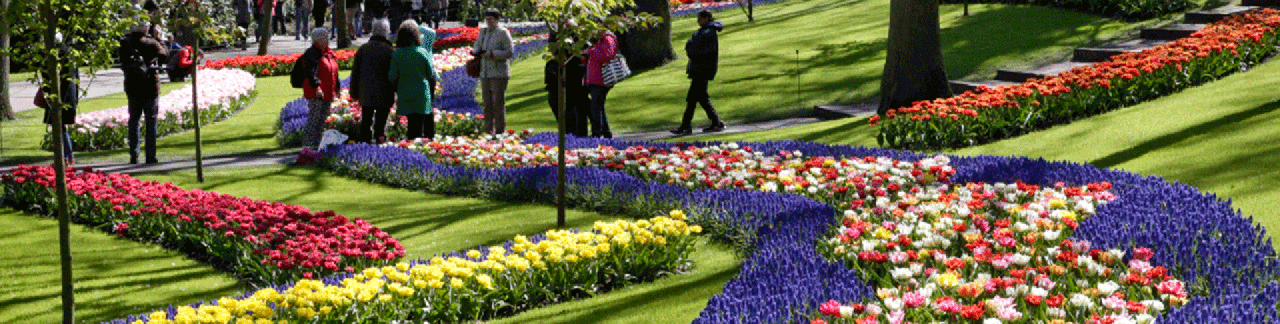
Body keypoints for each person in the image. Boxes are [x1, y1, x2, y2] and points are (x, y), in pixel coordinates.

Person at [119, 22, 169, 164]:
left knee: (134, 119)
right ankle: (150, 155)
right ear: (146, 28)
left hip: (132, 85)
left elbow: (122, 63)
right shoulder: (152, 43)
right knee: (151, 120)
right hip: (149, 85)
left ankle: (134, 154)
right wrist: (159, 38)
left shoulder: (125, 43)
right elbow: (165, 55)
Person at [671, 10, 726, 135]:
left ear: (706, 18)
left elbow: (698, 50)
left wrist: (690, 47)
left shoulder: (708, 32)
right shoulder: (706, 31)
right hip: (701, 69)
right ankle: (716, 122)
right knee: (701, 98)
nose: (698, 21)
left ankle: (686, 126)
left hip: (702, 70)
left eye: (700, 18)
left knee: (692, 98)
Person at [389, 21, 439, 141]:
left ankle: (412, 144)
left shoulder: (397, 54)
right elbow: (429, 73)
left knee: (411, 122)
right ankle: (420, 145)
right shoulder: (422, 52)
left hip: (405, 92)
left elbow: (392, 76)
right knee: (420, 120)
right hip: (422, 92)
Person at [351, 20, 395, 143]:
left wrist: (353, 91)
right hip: (384, 92)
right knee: (381, 124)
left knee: (366, 121)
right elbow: (393, 74)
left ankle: (365, 144)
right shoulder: (389, 50)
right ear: (386, 32)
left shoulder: (363, 49)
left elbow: (355, 72)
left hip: (366, 91)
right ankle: (379, 143)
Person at [40, 37, 80, 166]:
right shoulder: (71, 54)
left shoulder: (52, 55)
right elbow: (76, 77)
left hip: (57, 94)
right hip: (69, 94)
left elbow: (46, 76)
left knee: (59, 127)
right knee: (61, 127)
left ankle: (65, 157)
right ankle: (67, 156)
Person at [472, 8, 512, 134]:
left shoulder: (503, 32)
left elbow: (510, 52)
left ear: (497, 19)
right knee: (487, 103)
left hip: (499, 73)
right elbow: (477, 44)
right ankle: (488, 130)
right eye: (487, 19)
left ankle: (500, 131)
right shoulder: (484, 31)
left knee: (498, 104)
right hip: (485, 72)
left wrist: (493, 54)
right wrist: (477, 51)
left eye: (491, 19)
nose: (488, 21)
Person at [299, 28, 340, 148]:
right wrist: (317, 87)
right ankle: (308, 147)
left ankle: (317, 146)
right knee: (314, 120)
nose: (328, 39)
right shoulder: (312, 54)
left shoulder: (330, 53)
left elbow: (334, 72)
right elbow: (310, 72)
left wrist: (337, 88)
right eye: (325, 37)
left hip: (328, 92)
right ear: (318, 39)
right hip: (316, 93)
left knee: (322, 121)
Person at [544, 32, 588, 137]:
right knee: (559, 103)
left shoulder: (577, 31)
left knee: (577, 106)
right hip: (560, 72)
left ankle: (577, 135)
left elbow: (583, 50)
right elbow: (552, 48)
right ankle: (569, 134)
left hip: (574, 72)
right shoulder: (556, 31)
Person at [583, 25, 617, 138]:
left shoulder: (607, 38)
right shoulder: (600, 39)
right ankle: (605, 132)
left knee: (596, 107)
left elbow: (608, 55)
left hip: (601, 79)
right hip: (595, 78)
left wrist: (590, 51)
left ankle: (597, 133)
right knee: (598, 106)